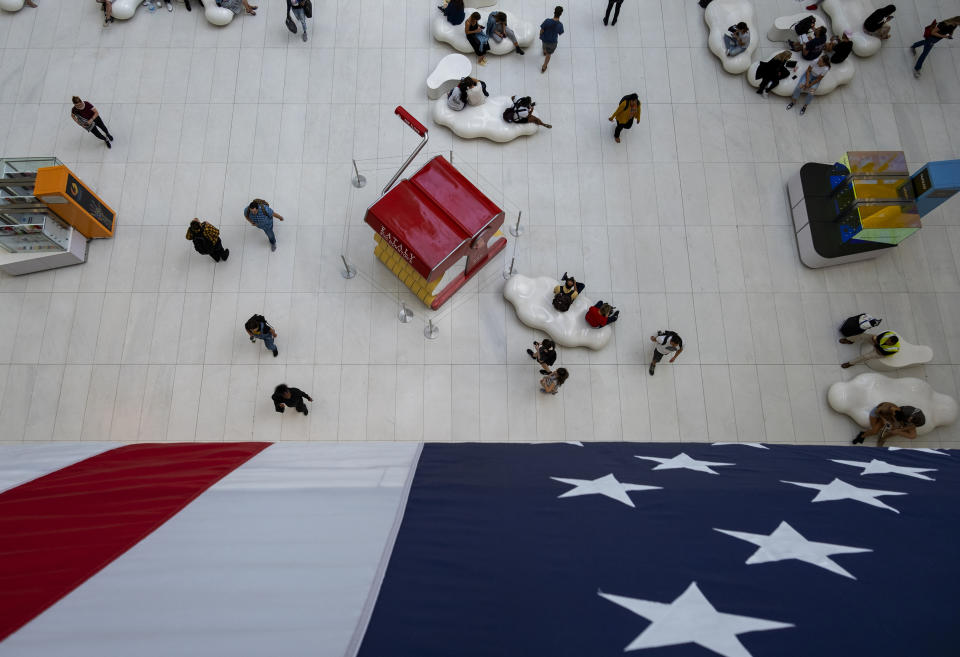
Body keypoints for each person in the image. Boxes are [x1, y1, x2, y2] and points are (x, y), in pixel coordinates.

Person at [852, 403, 925, 446]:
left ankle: (884, 437)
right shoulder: (901, 411)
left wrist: (900, 430)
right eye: (909, 420)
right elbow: (879, 413)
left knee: (909, 434)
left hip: (894, 418)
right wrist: (885, 421)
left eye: (910, 421)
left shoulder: (920, 421)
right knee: (875, 431)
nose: (909, 421)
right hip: (880, 415)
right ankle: (862, 435)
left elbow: (910, 425)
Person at [539, 6, 564, 73]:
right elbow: (560, 33)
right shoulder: (560, 25)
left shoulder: (547, 21)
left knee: (544, 46)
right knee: (548, 55)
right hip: (552, 43)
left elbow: (541, 30)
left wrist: (541, 36)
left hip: (544, 39)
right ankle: (544, 66)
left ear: (554, 12)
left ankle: (544, 51)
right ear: (561, 14)